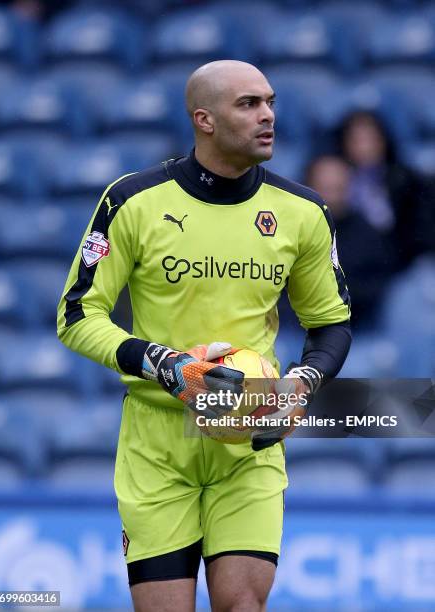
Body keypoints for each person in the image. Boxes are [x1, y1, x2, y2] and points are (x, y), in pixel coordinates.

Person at [57, 60, 351, 612]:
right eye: (248, 104)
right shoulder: (133, 201)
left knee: (244, 605)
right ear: (204, 119)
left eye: (270, 102)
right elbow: (77, 315)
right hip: (159, 439)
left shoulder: (304, 212)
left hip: (250, 435)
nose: (267, 116)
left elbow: (329, 322)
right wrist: (164, 363)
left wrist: (303, 383)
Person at [336, 110, 433, 270]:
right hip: (351, 264)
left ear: (383, 141)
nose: (365, 147)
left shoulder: (407, 181)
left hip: (400, 263)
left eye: (371, 140)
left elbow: (421, 233)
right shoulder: (334, 178)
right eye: (357, 140)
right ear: (344, 143)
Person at [306, 154, 393, 329]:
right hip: (295, 326)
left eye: (337, 187)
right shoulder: (289, 228)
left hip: (356, 326)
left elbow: (379, 285)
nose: (331, 195)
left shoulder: (367, 233)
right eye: (325, 187)